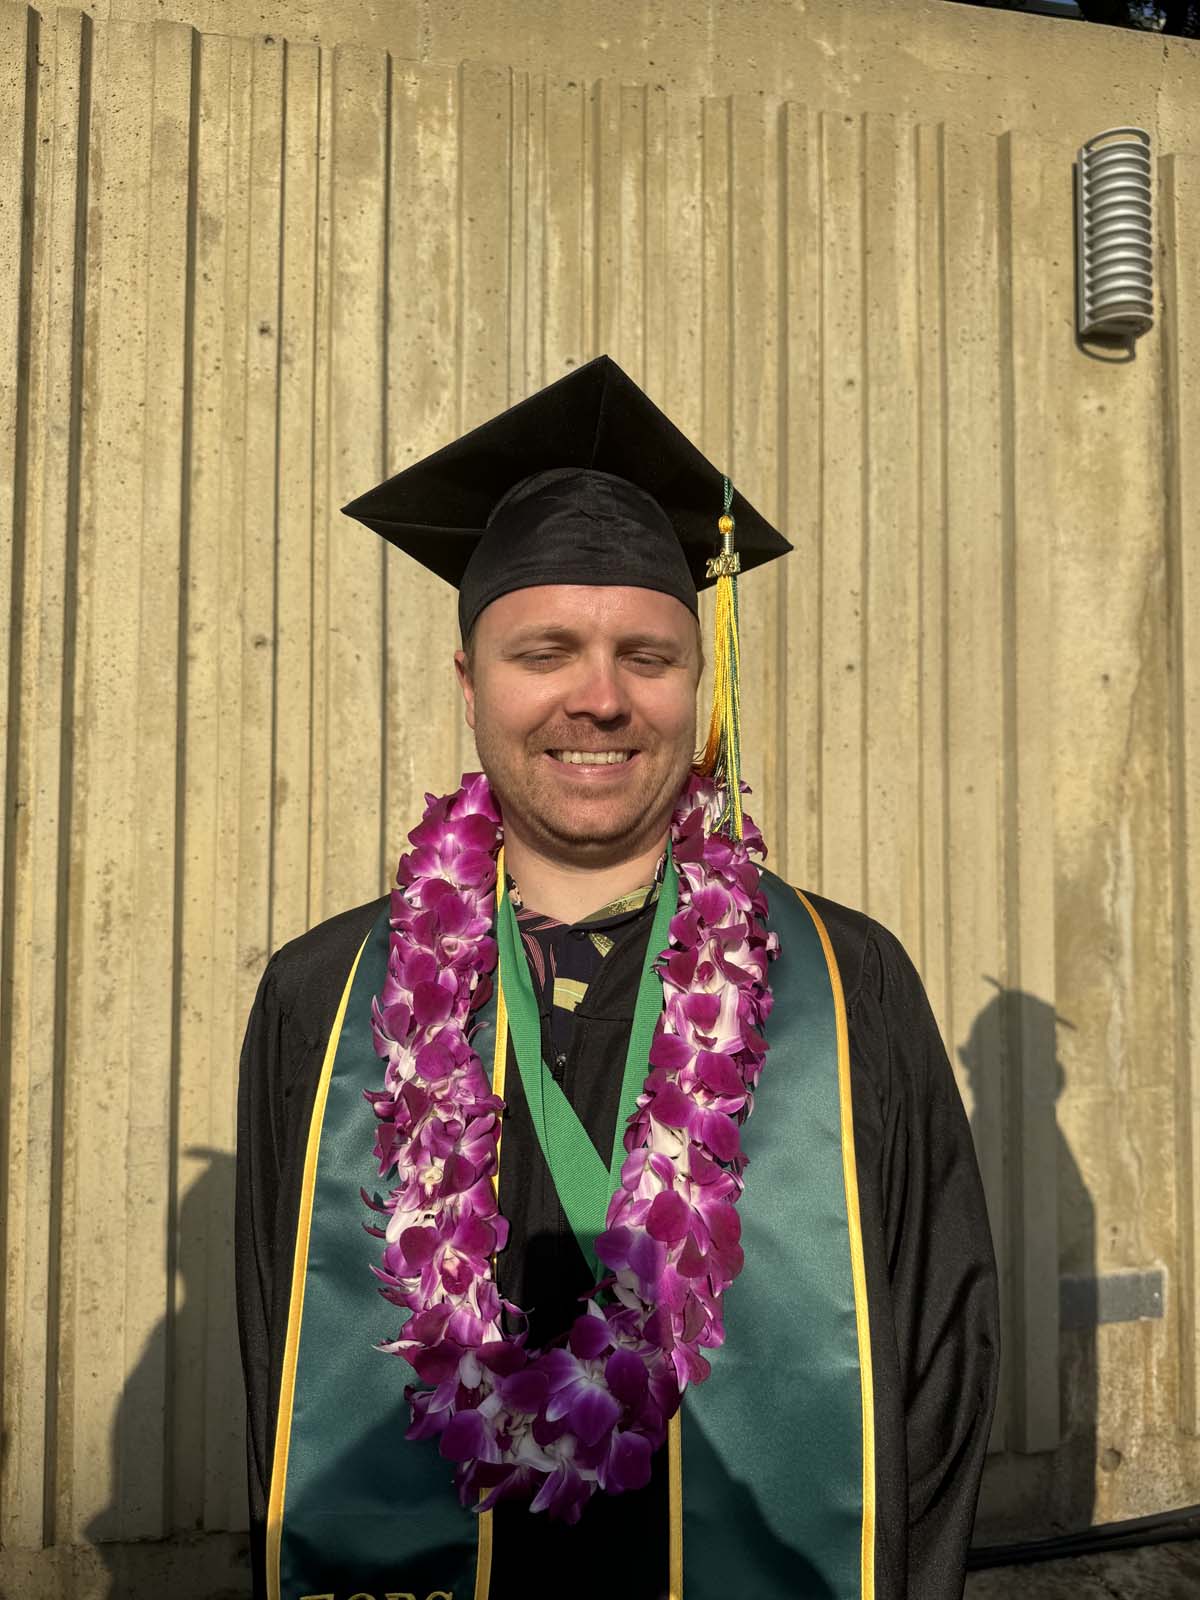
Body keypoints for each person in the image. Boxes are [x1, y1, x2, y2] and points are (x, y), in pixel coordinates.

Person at [236, 355, 999, 1600]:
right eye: (546, 650)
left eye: (647, 655)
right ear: (471, 683)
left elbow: (941, 1370)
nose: (599, 699)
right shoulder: (325, 1000)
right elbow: (280, 1365)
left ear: (699, 684)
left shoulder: (849, 984)